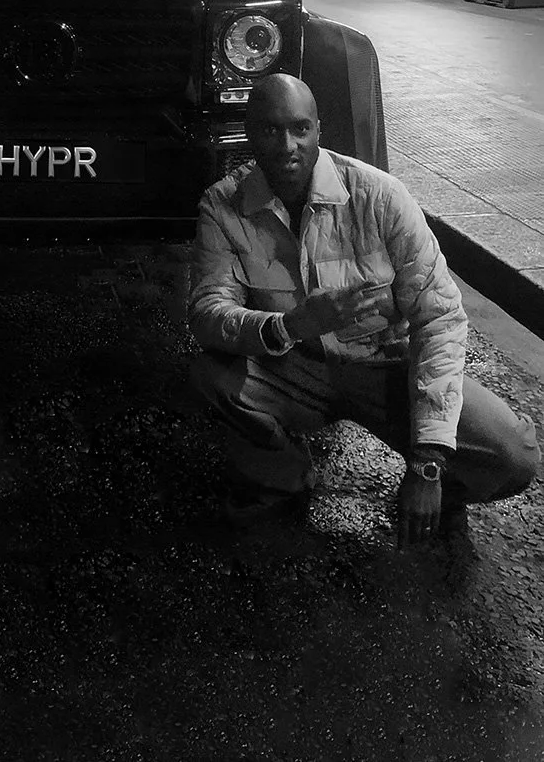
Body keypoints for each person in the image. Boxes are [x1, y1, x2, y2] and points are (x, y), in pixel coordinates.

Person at [187, 74, 539, 543]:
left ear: (319, 130)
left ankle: (443, 494)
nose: (288, 146)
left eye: (300, 128)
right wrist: (286, 326)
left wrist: (429, 463)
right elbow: (207, 312)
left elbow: (440, 318)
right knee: (209, 377)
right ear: (249, 134)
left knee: (515, 453)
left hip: (387, 367)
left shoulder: (381, 196)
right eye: (270, 130)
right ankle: (284, 474)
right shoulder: (222, 205)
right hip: (295, 367)